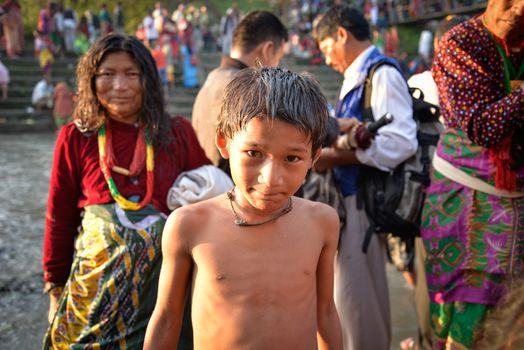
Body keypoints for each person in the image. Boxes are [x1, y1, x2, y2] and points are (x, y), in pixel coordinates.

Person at [144, 66, 342, 350]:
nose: (271, 179)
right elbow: (165, 318)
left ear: (314, 157)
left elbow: (325, 313)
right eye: (254, 153)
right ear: (223, 143)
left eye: (292, 158)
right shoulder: (189, 225)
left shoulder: (322, 222)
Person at [41, 33, 210, 348]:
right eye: (107, 74)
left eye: (131, 74)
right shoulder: (76, 137)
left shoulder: (176, 134)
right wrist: (54, 291)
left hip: (161, 299)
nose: (119, 86)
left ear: (148, 79)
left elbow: (209, 205)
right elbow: (59, 217)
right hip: (93, 299)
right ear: (92, 80)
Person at [313, 5, 417, 350]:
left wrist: (334, 156)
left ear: (341, 34)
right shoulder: (359, 74)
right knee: (358, 297)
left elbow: (400, 141)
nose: (327, 59)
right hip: (351, 201)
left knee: (355, 299)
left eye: (326, 48)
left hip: (361, 202)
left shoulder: (380, 73)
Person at [420, 1, 524, 349]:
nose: (521, 9)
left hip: (519, 209)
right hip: (465, 203)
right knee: (465, 310)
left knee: (514, 315)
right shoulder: (460, 44)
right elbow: (482, 126)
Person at [404, 14, 467, 350]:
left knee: (431, 280)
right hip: (477, 203)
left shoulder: (419, 81)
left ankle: (429, 342)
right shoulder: (489, 83)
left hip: (431, 198)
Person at [192, 10, 288, 172]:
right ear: (268, 49)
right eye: (278, 59)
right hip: (234, 189)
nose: (277, 66)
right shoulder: (252, 86)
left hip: (208, 183)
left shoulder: (213, 77)